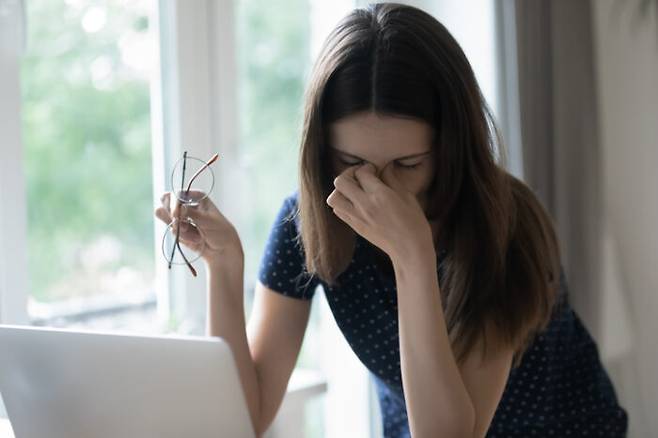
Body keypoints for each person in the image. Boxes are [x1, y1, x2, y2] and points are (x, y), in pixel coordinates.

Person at [155, 3, 628, 437]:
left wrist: (413, 256)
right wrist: (223, 267)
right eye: (350, 160)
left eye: (407, 165)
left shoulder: (504, 224)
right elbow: (247, 416)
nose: (377, 188)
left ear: (450, 148)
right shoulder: (308, 220)